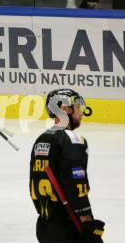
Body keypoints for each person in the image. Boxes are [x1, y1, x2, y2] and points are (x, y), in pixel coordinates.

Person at [29, 89, 105, 243]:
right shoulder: (73, 139)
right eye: (77, 106)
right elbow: (77, 186)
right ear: (64, 109)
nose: (81, 112)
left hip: (45, 227)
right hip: (70, 228)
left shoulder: (41, 140)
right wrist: (88, 223)